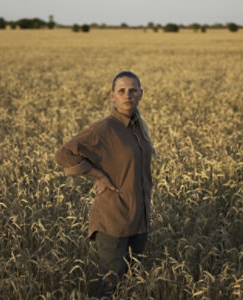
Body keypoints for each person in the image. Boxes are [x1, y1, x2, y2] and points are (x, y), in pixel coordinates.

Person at [54, 71, 155, 298]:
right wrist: (97, 174)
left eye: (133, 90)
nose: (127, 95)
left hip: (140, 219)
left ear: (141, 94)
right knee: (110, 285)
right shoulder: (105, 128)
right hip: (113, 219)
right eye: (121, 91)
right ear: (112, 95)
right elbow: (63, 154)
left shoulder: (139, 127)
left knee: (132, 282)